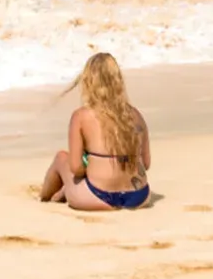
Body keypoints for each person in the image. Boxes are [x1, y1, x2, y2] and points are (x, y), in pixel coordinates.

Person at [38, 52, 151, 211]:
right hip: (138, 196)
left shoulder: (81, 116)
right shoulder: (136, 115)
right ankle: (64, 192)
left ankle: (43, 198)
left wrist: (91, 166)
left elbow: (76, 168)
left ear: (88, 82)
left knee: (61, 157)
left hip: (97, 196)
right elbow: (145, 164)